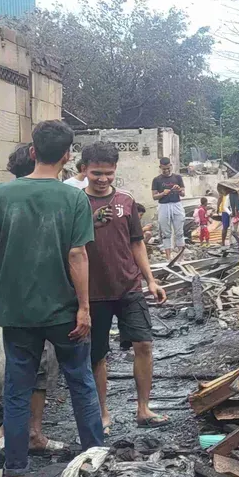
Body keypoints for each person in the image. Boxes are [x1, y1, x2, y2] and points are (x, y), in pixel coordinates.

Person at [0, 120, 104, 477]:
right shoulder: (74, 198)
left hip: (16, 312)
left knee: (17, 388)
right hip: (64, 312)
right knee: (81, 383)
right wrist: (84, 307)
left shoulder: (1, 195)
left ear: (32, 152)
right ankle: (93, 461)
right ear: (67, 156)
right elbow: (77, 255)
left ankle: (14, 471)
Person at [79, 142, 171, 429]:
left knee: (143, 343)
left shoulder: (126, 201)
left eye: (108, 173)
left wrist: (151, 280)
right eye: (96, 173)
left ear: (115, 170)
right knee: (98, 354)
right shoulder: (75, 204)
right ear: (83, 170)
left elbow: (136, 243)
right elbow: (69, 248)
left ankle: (143, 409)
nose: (102, 178)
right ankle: (103, 413)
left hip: (129, 287)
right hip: (93, 292)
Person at [0, 144, 66, 455]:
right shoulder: (45, 202)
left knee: (25, 372)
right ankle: (22, 435)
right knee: (32, 372)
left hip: (16, 304)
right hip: (43, 306)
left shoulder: (4, 200)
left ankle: (27, 435)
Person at [151, 157, 185, 261]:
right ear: (160, 167)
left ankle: (181, 257)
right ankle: (168, 258)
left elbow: (183, 194)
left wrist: (179, 190)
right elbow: (154, 196)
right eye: (164, 169)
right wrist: (163, 193)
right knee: (166, 233)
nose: (166, 170)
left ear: (170, 166)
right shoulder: (156, 180)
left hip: (176, 204)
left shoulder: (178, 177)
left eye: (167, 168)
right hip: (163, 206)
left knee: (179, 232)